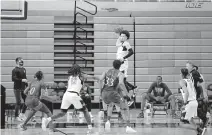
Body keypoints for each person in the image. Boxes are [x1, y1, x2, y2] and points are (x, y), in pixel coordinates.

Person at [42, 64, 99, 134]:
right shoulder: (81, 76)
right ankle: (90, 128)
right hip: (74, 95)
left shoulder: (69, 77)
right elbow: (93, 77)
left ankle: (47, 119)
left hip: (66, 95)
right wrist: (98, 79)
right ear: (78, 70)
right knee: (85, 110)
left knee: (62, 113)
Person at [99, 60, 136, 133]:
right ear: (120, 66)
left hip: (104, 93)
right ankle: (128, 126)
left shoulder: (106, 71)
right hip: (112, 93)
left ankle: (108, 122)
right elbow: (121, 83)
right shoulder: (120, 73)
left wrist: (100, 91)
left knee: (110, 105)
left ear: (113, 65)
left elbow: (100, 80)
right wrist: (128, 94)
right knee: (125, 107)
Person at [179, 68, 202, 135]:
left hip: (189, 103)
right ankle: (198, 132)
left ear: (182, 74)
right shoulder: (190, 80)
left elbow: (186, 93)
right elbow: (194, 91)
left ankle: (199, 129)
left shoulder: (182, 81)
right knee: (190, 120)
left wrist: (184, 103)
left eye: (180, 73)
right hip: (194, 102)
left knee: (181, 124)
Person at [186, 61, 209, 129]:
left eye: (187, 66)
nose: (186, 68)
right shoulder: (191, 74)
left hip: (196, 95)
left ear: (192, 67)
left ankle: (203, 119)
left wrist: (204, 94)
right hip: (194, 95)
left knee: (193, 108)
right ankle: (202, 121)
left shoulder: (194, 73)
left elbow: (202, 83)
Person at [12, 57, 27, 121]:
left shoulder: (24, 69)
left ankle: (22, 114)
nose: (22, 62)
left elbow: (25, 78)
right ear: (17, 62)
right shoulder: (14, 70)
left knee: (26, 101)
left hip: (23, 88)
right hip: (17, 88)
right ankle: (16, 116)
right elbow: (13, 79)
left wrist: (28, 87)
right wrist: (22, 80)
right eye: (21, 61)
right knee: (18, 102)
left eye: (22, 61)